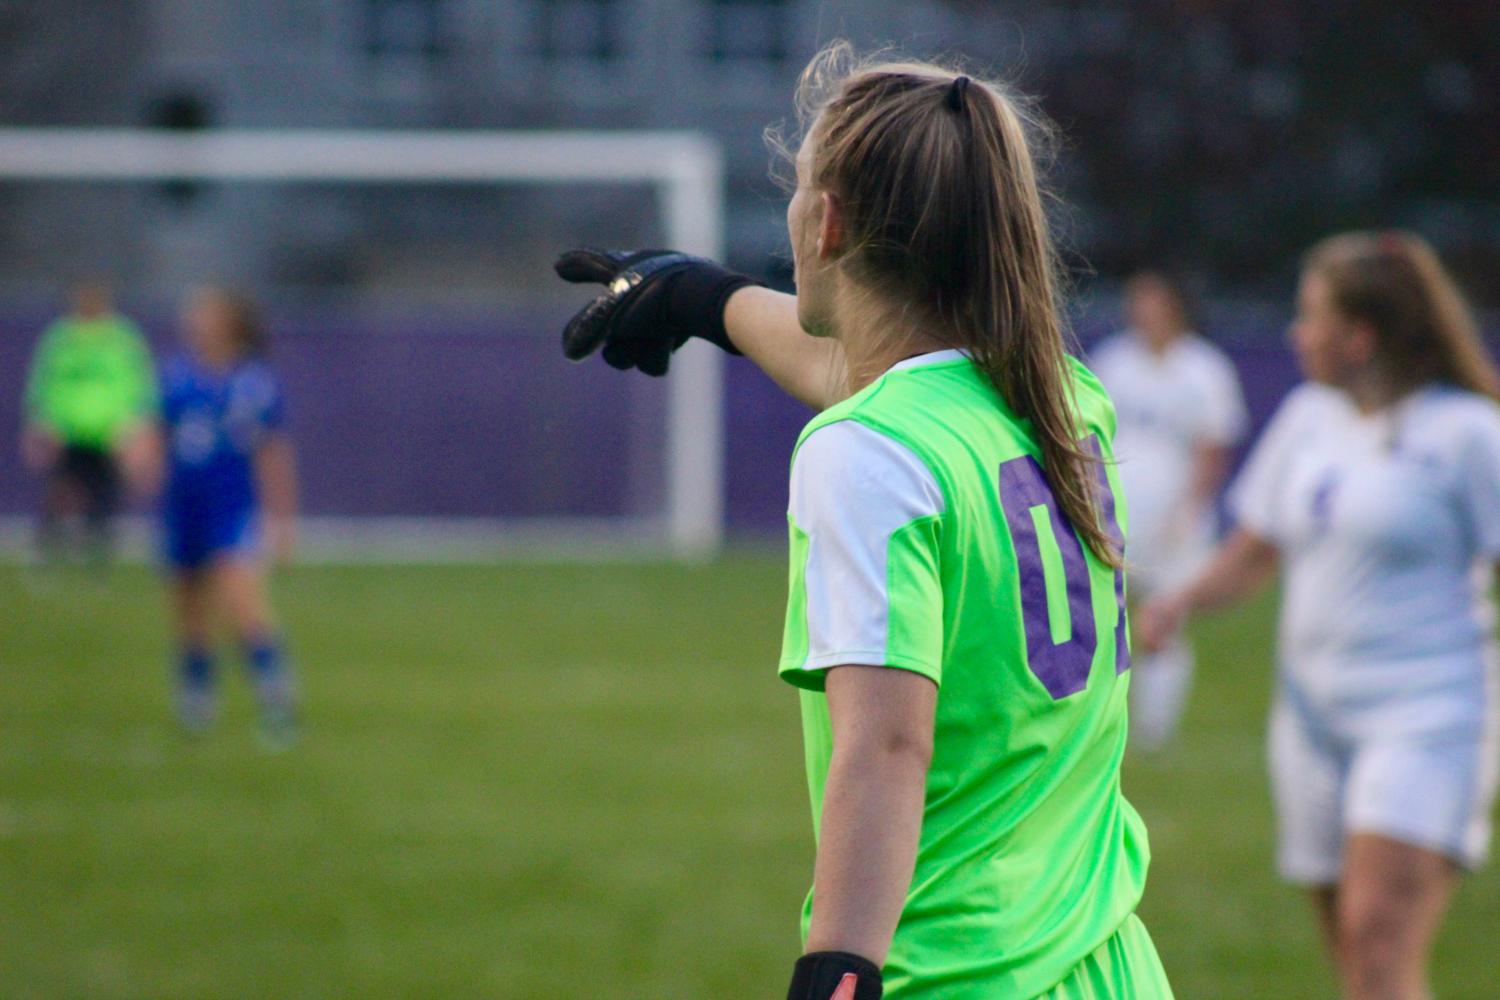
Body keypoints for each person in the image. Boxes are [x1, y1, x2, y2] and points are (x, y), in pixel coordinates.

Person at [556, 44, 1172, 999]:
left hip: (959, 976)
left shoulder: (867, 453)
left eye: (799, 186)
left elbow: (888, 745)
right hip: (1106, 958)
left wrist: (836, 973)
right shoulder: (1059, 398)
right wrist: (701, 299)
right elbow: (871, 378)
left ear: (827, 223)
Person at [1135, 231, 1500, 1000]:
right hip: (1308, 720)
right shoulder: (1308, 417)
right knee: (1354, 958)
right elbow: (1253, 547)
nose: (1296, 334)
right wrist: (1177, 604)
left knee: (1377, 941)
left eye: (1310, 316)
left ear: (1359, 337)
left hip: (1427, 716)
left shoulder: (1466, 433)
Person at [1090, 271, 1247, 749]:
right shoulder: (1114, 361)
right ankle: (1097, 719)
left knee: (1165, 616)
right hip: (1115, 507)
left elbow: (1213, 443)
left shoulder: (1203, 368)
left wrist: (1192, 506)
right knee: (1099, 612)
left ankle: (1155, 728)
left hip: (1174, 516)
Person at [144, 288, 300, 748]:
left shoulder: (255, 383)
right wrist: (143, 457)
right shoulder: (174, 375)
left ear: (230, 322)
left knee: (241, 602)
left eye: (207, 311)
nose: (195, 318)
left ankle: (277, 701)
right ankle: (197, 700)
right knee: (188, 607)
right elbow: (155, 430)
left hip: (232, 508)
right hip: (183, 507)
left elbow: (273, 454)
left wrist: (282, 520)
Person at [20, 282, 156, 567]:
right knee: (62, 490)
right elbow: (43, 381)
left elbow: (139, 383)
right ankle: (47, 549)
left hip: (108, 433)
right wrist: (40, 422)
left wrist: (135, 428)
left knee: (104, 495)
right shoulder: (61, 337)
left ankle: (97, 557)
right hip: (68, 430)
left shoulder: (120, 337)